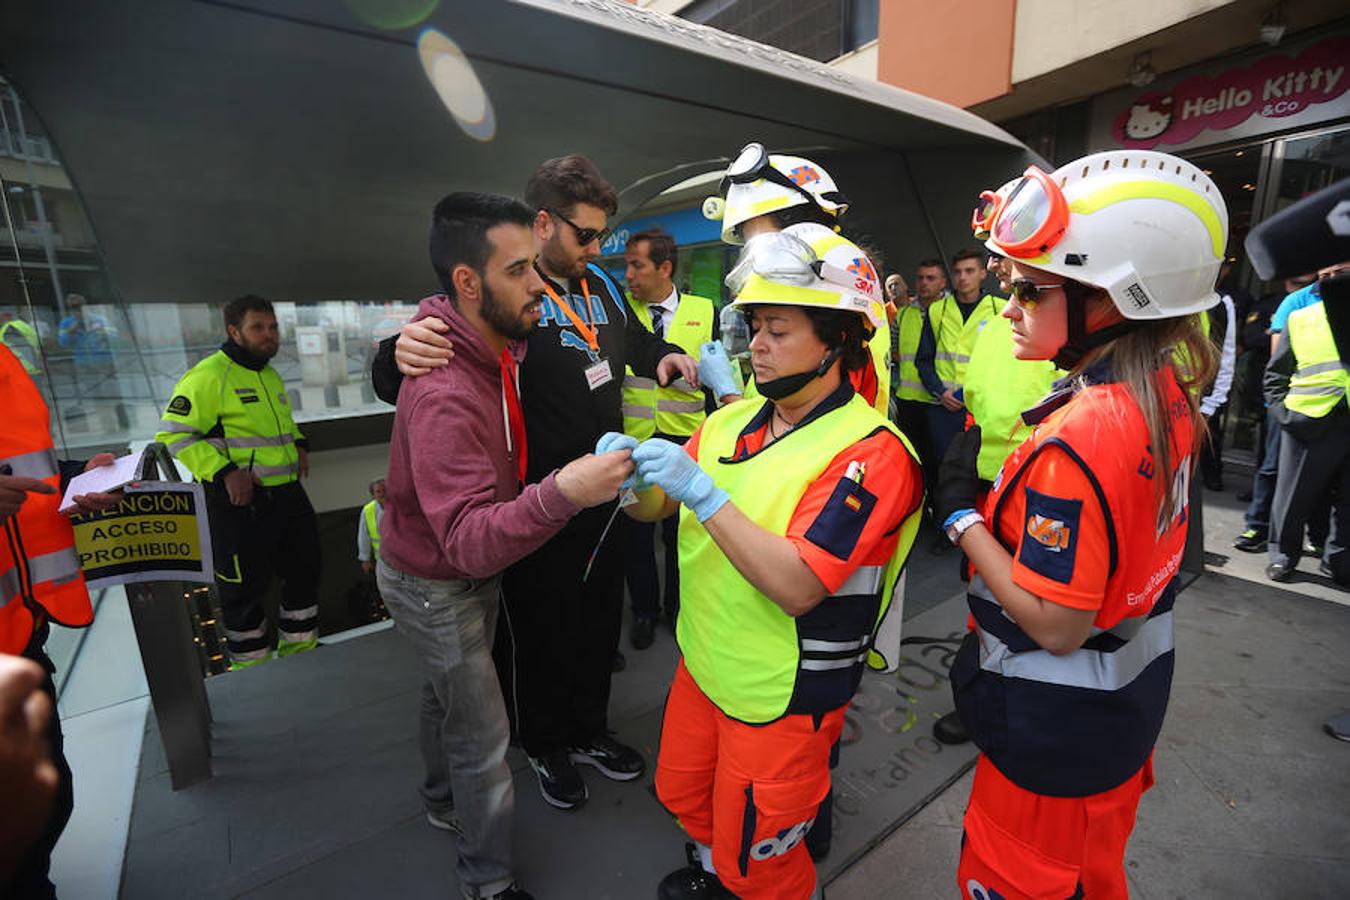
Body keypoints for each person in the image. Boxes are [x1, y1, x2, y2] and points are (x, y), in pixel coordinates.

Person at [936, 149, 1224, 898]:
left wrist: (963, 518)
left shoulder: (1086, 433)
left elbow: (1057, 627)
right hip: (1114, 723)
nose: (1008, 309)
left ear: (1113, 300)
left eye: (1030, 291)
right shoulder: (1168, 383)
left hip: (1050, 740)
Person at [374, 156, 699, 811]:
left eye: (603, 234)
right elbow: (417, 361)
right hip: (529, 504)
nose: (598, 247)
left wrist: (661, 355)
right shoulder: (501, 294)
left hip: (604, 492)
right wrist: (392, 353)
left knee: (595, 624)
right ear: (543, 224)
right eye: (585, 234)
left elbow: (630, 341)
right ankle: (543, 743)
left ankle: (587, 730)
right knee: (538, 633)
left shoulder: (602, 285)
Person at [618, 231, 923, 900]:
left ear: (839, 340)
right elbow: (656, 508)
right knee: (687, 796)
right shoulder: (731, 421)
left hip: (782, 697)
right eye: (754, 326)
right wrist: (627, 480)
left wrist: (704, 491)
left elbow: (797, 584)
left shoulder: (871, 453)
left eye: (778, 330)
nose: (756, 344)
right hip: (706, 666)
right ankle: (709, 872)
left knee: (762, 859)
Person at [379, 192, 636, 900]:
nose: (539, 287)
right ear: (469, 282)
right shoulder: (445, 391)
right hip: (439, 581)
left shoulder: (492, 339)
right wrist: (567, 491)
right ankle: (489, 882)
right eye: (521, 270)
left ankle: (438, 801)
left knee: (447, 699)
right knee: (483, 736)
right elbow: (465, 545)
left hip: (449, 564)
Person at [2, 342, 120, 899]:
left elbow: (25, 471)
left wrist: (77, 480)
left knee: (47, 795)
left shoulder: (6, 361)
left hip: (22, 630)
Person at [154, 295, 321, 669]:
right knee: (243, 592)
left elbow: (275, 425)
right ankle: (254, 672)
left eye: (273, 327)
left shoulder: (267, 372)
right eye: (258, 327)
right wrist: (226, 471)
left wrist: (298, 443)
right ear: (234, 331)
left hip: (287, 496)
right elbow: (173, 436)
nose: (269, 335)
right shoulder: (208, 376)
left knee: (305, 572)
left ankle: (302, 656)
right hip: (239, 505)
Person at [704, 142, 893, 417]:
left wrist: (727, 393)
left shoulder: (835, 298)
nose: (747, 247)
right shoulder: (844, 283)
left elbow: (799, 426)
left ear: (793, 225)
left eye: (751, 233)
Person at [620, 228, 727, 650]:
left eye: (637, 265)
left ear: (665, 268)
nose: (628, 275)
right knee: (635, 537)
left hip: (688, 443)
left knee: (680, 532)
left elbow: (721, 377)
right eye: (626, 265)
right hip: (632, 444)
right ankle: (644, 612)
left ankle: (679, 609)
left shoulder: (706, 310)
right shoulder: (621, 314)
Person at [1263, 262, 1350, 585]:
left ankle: (1339, 564)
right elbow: (1276, 373)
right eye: (1327, 275)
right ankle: (1283, 556)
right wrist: (1283, 413)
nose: (1334, 281)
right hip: (1310, 420)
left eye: (1341, 273)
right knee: (1292, 497)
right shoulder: (1301, 317)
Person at [1233, 275, 1331, 554]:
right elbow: (1278, 355)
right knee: (1273, 468)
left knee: (1324, 477)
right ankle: (1259, 527)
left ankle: (1318, 536)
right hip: (1294, 403)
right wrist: (1279, 403)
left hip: (1335, 406)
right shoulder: (1296, 302)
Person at [913, 249, 1003, 479]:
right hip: (942, 406)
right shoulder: (938, 310)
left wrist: (963, 394)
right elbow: (923, 359)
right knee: (942, 468)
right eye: (957, 272)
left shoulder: (999, 310)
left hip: (980, 405)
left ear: (983, 273)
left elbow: (1001, 362)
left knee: (977, 468)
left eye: (969, 271)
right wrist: (940, 391)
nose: (963, 277)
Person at [890, 270, 934, 473]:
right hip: (907, 394)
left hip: (939, 398)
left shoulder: (944, 311)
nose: (893, 289)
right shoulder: (901, 315)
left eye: (897, 283)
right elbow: (892, 348)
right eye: (888, 285)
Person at [357, 478, 386, 574]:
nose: (382, 494)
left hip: (402, 557)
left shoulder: (399, 506)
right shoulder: (368, 510)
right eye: (378, 491)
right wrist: (365, 558)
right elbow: (363, 536)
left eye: (384, 490)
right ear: (373, 495)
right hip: (383, 559)